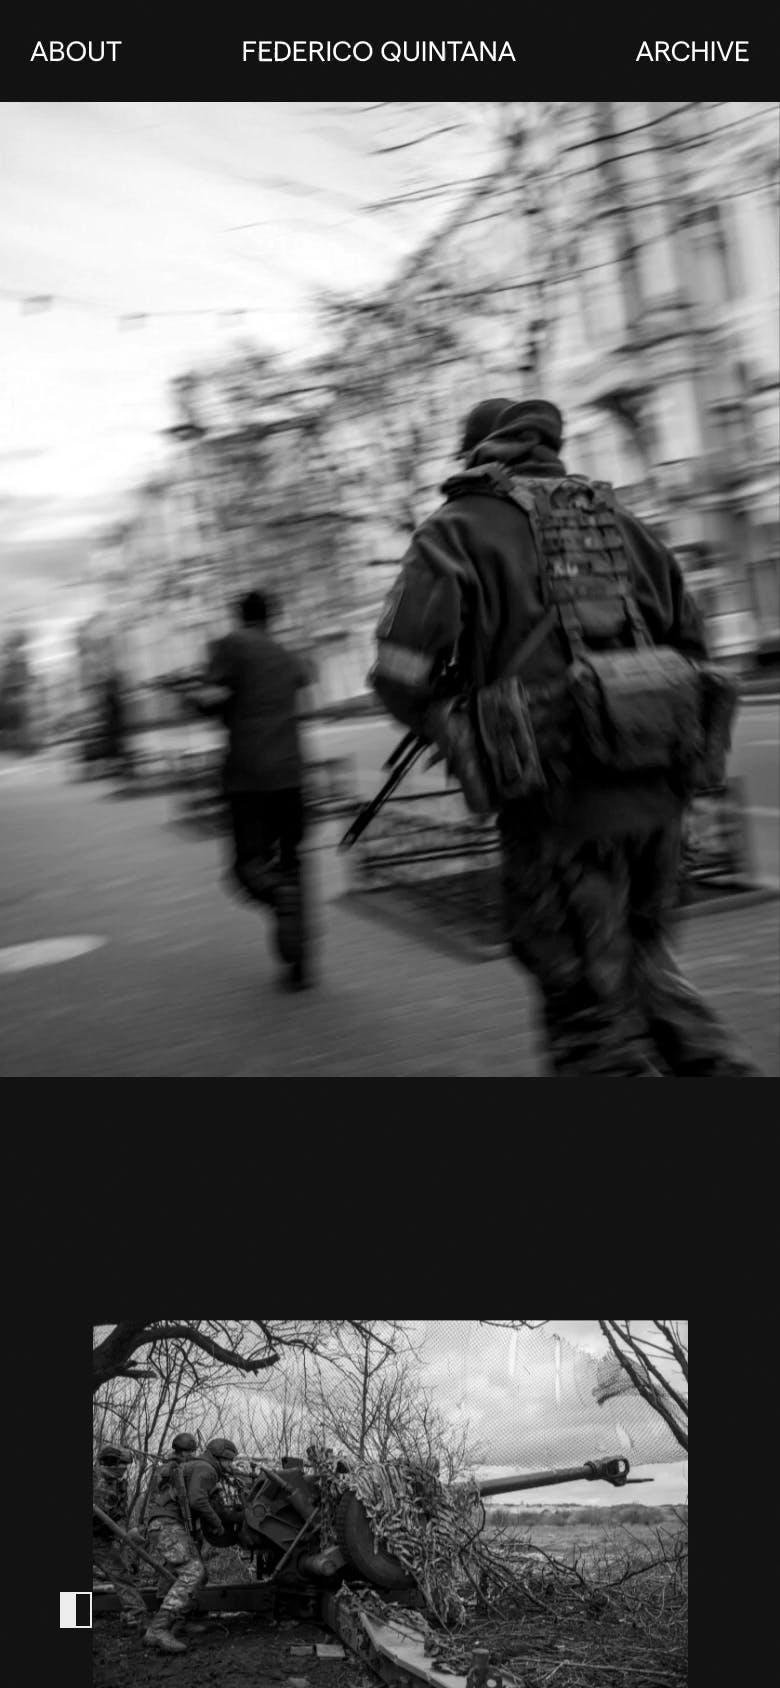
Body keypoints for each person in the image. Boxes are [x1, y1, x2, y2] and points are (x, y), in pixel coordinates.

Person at [370, 395, 761, 1077]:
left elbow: (399, 673)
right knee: (646, 972)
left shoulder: (455, 529)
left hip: (559, 814)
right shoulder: (623, 524)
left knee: (586, 1019)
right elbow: (693, 648)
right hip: (659, 810)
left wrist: (450, 719)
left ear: (476, 452)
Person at [186, 590, 314, 990]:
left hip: (249, 778)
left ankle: (277, 897)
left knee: (248, 869)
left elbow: (211, 699)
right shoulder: (285, 652)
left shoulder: (231, 645)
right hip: (291, 775)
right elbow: (303, 677)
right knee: (292, 866)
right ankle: (299, 967)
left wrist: (192, 696)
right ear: (271, 616)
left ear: (239, 616)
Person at [143, 1436, 240, 1654]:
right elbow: (198, 1500)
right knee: (193, 1572)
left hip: (167, 1523)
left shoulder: (199, 1466)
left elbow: (203, 1502)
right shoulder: (207, 1469)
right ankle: (158, 1629)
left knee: (200, 1575)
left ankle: (180, 1621)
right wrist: (217, 1524)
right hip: (166, 1524)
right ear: (218, 1457)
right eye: (228, 1460)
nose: (230, 1465)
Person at [92, 1444, 148, 1631]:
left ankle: (135, 1615)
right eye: (122, 1464)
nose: (125, 1468)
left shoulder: (119, 1484)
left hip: (102, 1540)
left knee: (120, 1573)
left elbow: (120, 1515)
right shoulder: (93, 1479)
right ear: (110, 1463)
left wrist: (123, 1535)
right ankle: (72, 1621)